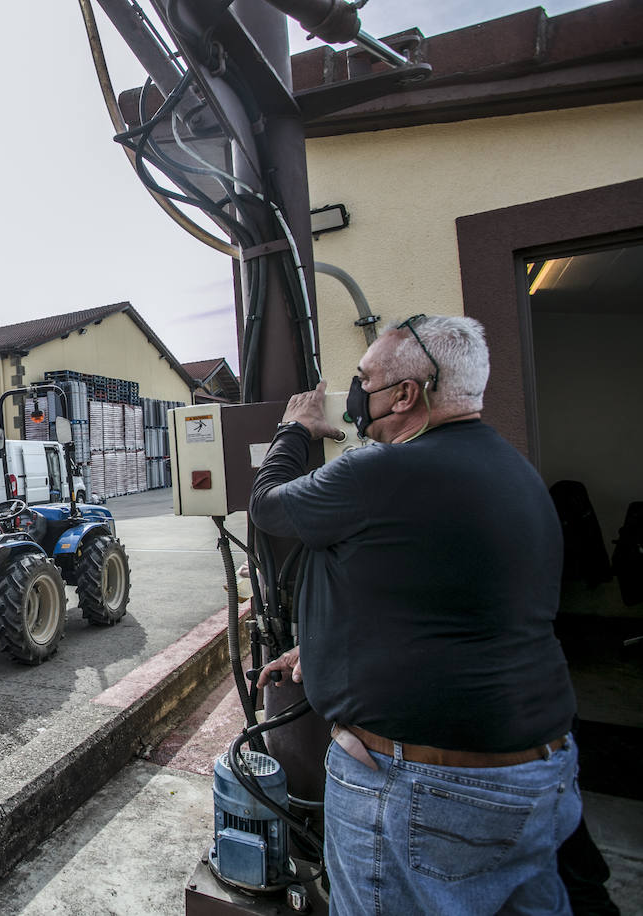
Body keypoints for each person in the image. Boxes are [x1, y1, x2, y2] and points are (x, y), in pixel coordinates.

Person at [250, 315, 581, 915]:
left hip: (423, 789)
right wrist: (319, 648)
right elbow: (438, 599)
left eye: (365, 379)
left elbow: (267, 506)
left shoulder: (376, 472)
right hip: (540, 775)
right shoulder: (515, 473)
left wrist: (293, 431)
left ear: (406, 394)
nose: (356, 393)